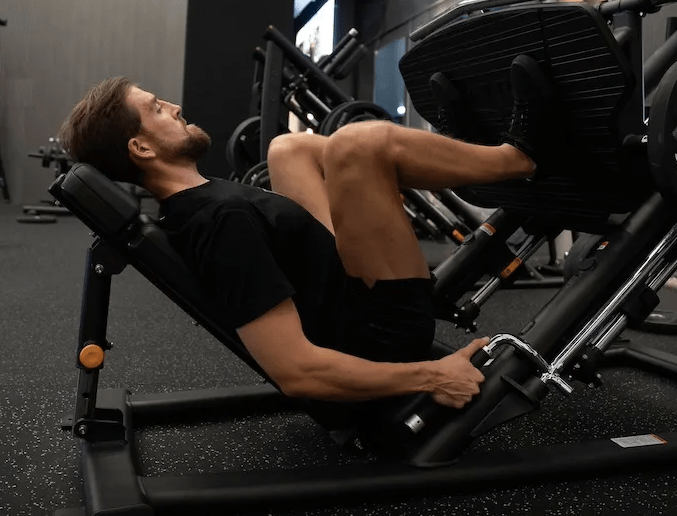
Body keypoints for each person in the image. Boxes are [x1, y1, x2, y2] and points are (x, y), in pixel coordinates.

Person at [58, 54, 555, 418]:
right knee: (359, 143)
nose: (174, 106)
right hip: (381, 333)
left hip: (339, 288)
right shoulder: (219, 223)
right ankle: (518, 159)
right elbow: (296, 371)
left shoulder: (201, 204)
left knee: (287, 148)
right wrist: (430, 373)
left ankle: (451, 149)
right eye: (157, 108)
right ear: (142, 147)